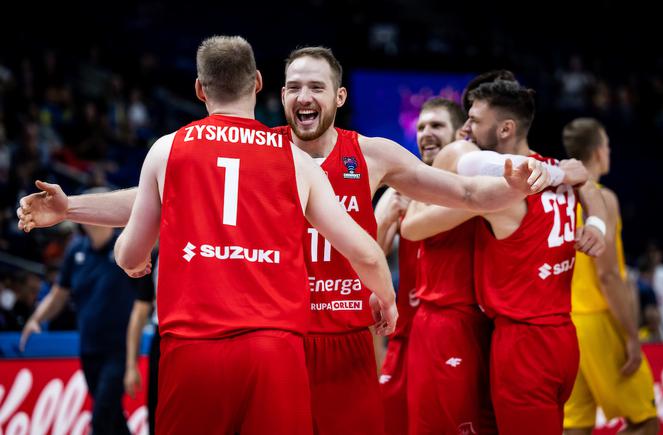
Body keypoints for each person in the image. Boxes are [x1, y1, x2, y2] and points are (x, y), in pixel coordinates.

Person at [19, 46, 547, 434]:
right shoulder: (259, 150)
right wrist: (75, 208)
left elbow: (462, 191)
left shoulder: (373, 154)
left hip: (341, 344)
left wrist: (510, 186)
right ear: (277, 93)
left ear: (338, 96)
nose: (303, 96)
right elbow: (148, 198)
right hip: (280, 342)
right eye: (294, 86)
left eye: (316, 86)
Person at [112, 35, 403, 434]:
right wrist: (386, 300)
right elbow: (367, 254)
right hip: (274, 351)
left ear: (200, 88)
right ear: (260, 83)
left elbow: (131, 253)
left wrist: (131, 258)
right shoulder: (295, 160)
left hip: (193, 348)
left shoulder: (168, 149)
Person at [402, 80, 607, 435]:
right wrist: (597, 225)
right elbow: (585, 181)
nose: (466, 130)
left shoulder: (505, 188)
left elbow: (414, 227)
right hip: (562, 335)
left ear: (505, 128)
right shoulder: (555, 169)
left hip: (521, 343)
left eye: (474, 120)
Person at [560, 118, 658, 435]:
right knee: (646, 421)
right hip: (598, 319)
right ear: (599, 152)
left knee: (575, 427)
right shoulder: (603, 198)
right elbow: (609, 276)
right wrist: (632, 335)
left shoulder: (557, 198)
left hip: (564, 324)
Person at [374, 97, 466, 435]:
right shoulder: (401, 188)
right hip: (406, 334)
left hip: (453, 331)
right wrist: (385, 221)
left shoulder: (469, 189)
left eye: (437, 125)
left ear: (460, 134)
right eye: (422, 126)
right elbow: (370, 256)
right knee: (392, 422)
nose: (426, 133)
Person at [20, 188, 142, 435]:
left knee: (101, 416)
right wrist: (36, 319)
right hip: (89, 347)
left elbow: (144, 298)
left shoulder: (126, 246)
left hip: (119, 349)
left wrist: (132, 362)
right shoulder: (75, 252)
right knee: (112, 418)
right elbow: (58, 295)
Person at [124, 260, 160, 435]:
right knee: (158, 413)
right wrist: (131, 366)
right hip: (165, 338)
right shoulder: (156, 258)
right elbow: (138, 314)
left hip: (211, 337)